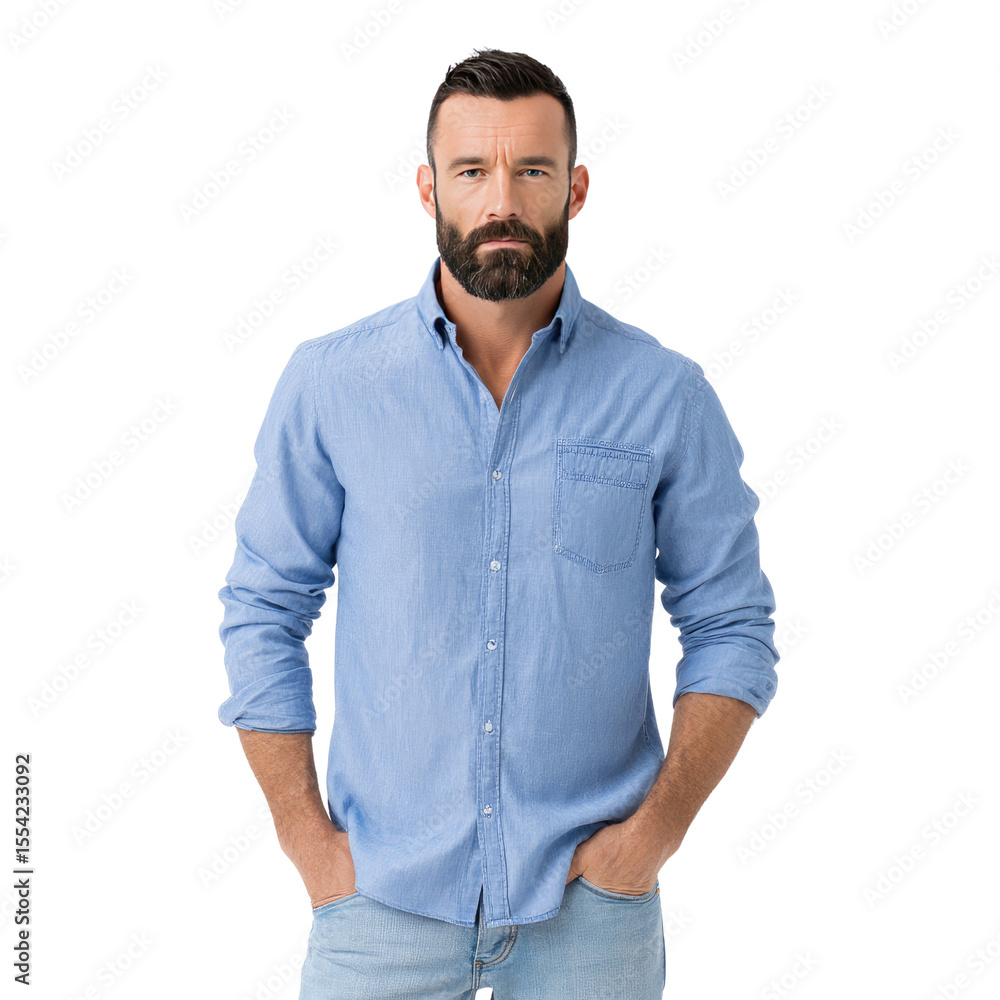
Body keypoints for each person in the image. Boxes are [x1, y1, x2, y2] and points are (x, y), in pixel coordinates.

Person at [217, 47, 780, 1000]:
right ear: (430, 187)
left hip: (588, 918)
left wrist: (651, 840)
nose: (502, 200)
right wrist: (309, 846)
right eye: (473, 171)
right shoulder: (331, 385)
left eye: (533, 170)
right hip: (378, 908)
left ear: (578, 187)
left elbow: (732, 628)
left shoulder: (664, 395)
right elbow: (263, 610)